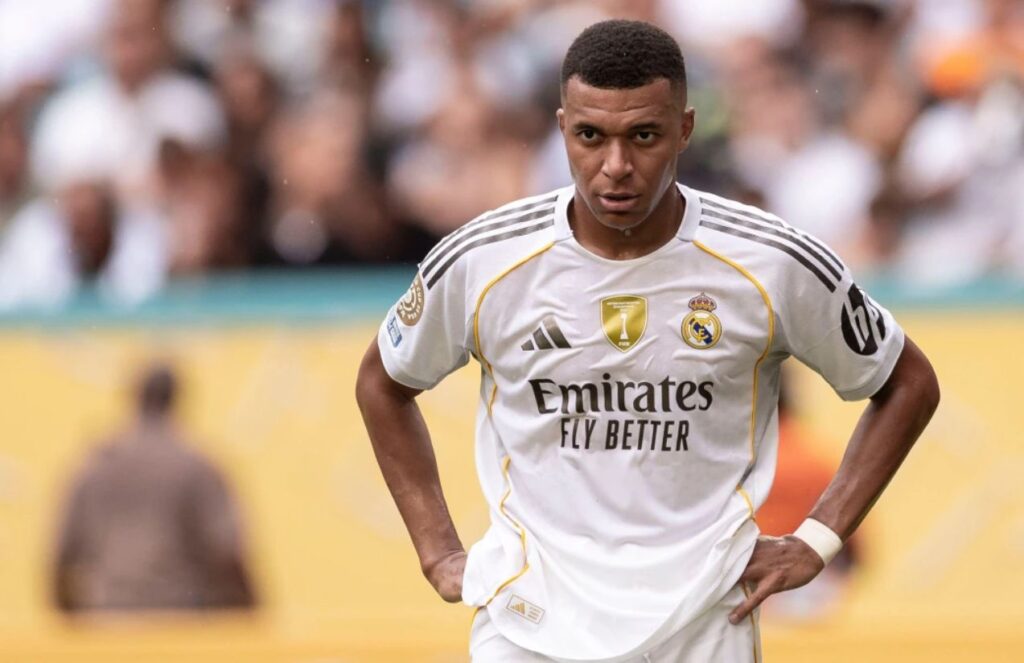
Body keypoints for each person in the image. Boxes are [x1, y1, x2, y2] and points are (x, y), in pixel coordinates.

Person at [356, 19, 939, 662]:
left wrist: (818, 539)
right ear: (561, 128)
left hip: (701, 629)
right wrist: (439, 552)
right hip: (529, 624)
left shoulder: (769, 260)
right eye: (590, 137)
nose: (615, 167)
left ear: (684, 129)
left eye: (643, 136)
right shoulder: (485, 259)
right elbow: (383, 382)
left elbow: (906, 381)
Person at [53, 364, 256, 612]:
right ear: (176, 399)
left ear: (133, 397)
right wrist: (251, 612)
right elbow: (226, 552)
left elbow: (61, 560)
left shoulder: (96, 467)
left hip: (108, 619)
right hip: (179, 620)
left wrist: (74, 622)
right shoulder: (196, 466)